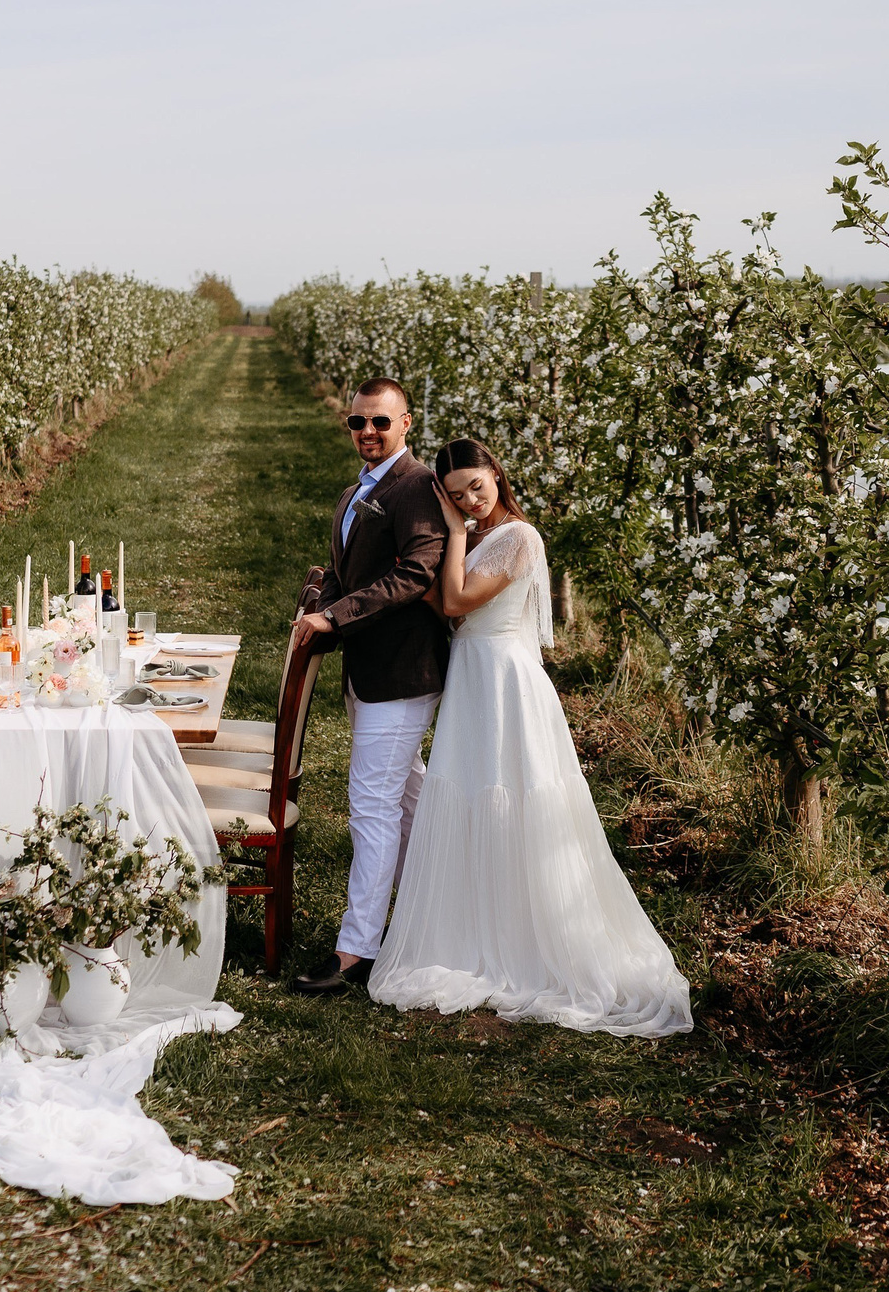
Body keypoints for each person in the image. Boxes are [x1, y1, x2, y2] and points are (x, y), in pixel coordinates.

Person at [368, 437, 693, 1036]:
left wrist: (452, 527)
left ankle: (529, 938)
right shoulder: (482, 535)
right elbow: (446, 601)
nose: (469, 498)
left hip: (504, 683)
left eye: (476, 486)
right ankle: (479, 928)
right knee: (472, 793)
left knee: (512, 795)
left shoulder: (518, 536)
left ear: (496, 475)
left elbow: (456, 599)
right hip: (474, 679)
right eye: (456, 492)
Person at [289, 377, 450, 996]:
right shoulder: (362, 488)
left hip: (401, 671)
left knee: (373, 808)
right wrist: (324, 597)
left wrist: (334, 616)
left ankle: (357, 950)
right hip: (371, 669)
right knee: (407, 797)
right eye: (358, 423)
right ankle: (426, 916)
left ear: (406, 423)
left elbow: (417, 571)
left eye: (381, 422)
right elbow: (352, 568)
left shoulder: (415, 488)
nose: (368, 433)